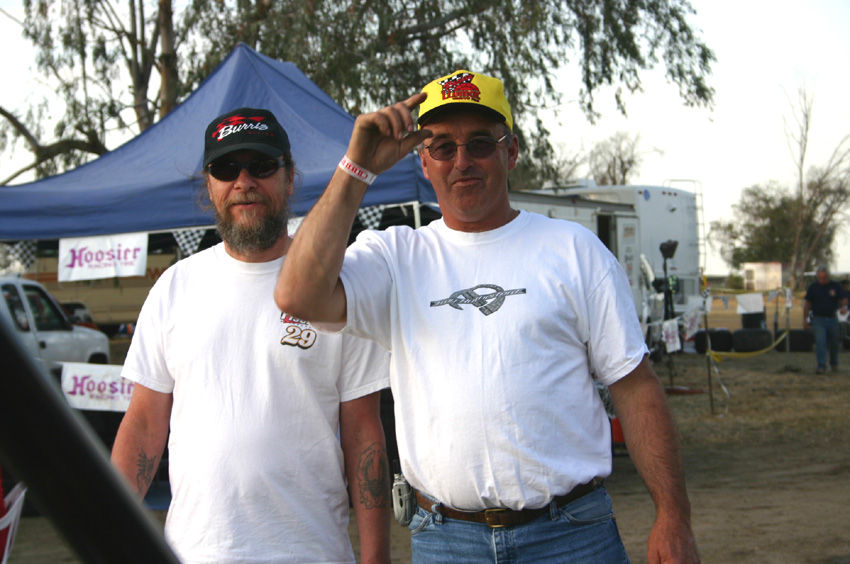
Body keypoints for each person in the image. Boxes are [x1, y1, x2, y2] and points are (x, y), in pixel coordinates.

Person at [274, 70, 699, 563]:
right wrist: (357, 167)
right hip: (447, 540)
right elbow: (297, 295)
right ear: (423, 161)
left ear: (510, 151)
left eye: (479, 143)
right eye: (442, 147)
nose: (462, 161)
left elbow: (636, 386)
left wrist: (673, 515)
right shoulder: (396, 257)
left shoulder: (574, 250)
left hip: (571, 536)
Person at [111, 107, 392, 564]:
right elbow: (143, 425)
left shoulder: (338, 288)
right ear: (208, 185)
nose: (243, 182)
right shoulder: (174, 287)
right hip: (194, 553)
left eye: (261, 166)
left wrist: (376, 558)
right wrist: (110, 536)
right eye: (225, 168)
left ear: (290, 177)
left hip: (309, 554)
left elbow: (363, 432)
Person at [803, 265, 848, 374]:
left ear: (828, 276)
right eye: (820, 278)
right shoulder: (813, 287)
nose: (822, 280)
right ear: (817, 277)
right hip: (818, 319)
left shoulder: (835, 286)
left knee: (834, 343)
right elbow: (807, 304)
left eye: (824, 278)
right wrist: (805, 320)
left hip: (833, 319)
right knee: (821, 342)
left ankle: (834, 363)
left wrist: (844, 307)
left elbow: (844, 298)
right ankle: (821, 366)